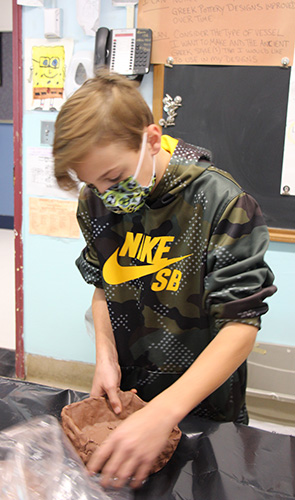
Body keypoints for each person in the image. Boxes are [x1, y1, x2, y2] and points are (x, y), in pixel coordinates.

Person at [53, 70, 277, 489]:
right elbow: (104, 282)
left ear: (152, 139)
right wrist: (107, 356)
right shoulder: (97, 201)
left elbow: (240, 325)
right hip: (131, 393)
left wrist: (167, 411)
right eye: (93, 184)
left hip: (202, 404)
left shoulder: (221, 202)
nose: (105, 195)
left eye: (115, 179)